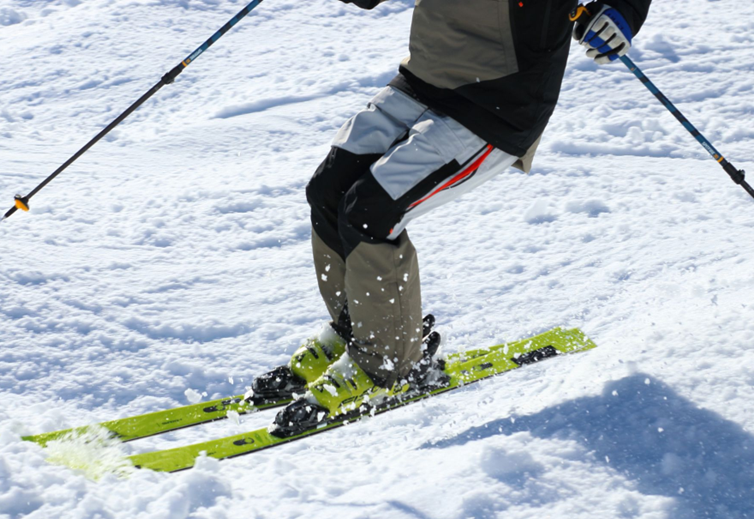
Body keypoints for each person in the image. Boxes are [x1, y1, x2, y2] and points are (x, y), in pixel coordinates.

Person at [252, 0, 652, 435]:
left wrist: (623, 9)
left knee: (371, 212)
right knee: (328, 192)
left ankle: (388, 364)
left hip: (500, 101)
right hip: (427, 73)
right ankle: (362, 328)